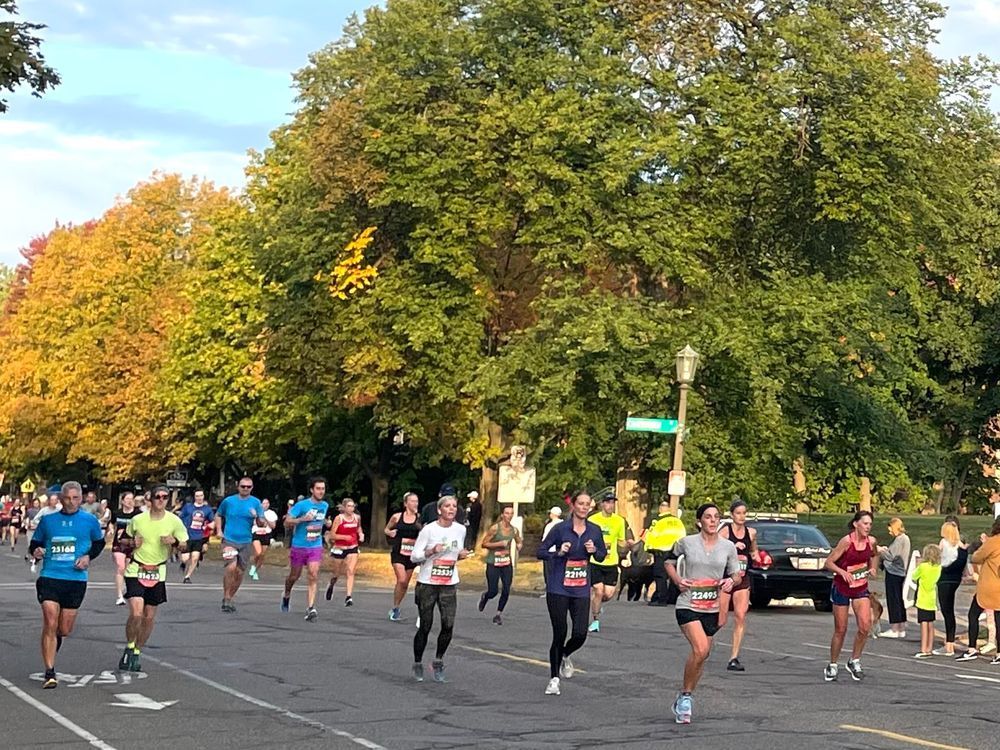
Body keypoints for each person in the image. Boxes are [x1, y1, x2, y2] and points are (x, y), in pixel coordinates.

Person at [665, 503, 741, 723]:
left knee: (702, 655)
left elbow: (736, 573)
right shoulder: (687, 542)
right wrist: (678, 580)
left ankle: (683, 695)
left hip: (712, 607)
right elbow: (668, 562)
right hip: (688, 604)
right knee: (701, 648)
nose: (713, 520)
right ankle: (687, 698)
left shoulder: (728, 547)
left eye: (716, 517)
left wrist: (730, 581)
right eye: (708, 517)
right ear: (699, 521)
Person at [29, 482, 105, 688]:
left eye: (75, 498)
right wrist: (36, 551)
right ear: (60, 499)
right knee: (50, 622)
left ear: (81, 499)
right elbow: (35, 543)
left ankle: (56, 639)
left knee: (64, 628)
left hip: (75, 580)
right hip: (50, 576)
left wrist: (88, 557)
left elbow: (99, 543)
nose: (71, 502)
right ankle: (49, 672)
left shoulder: (90, 521)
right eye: (67, 498)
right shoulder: (48, 520)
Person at [537, 491, 607, 696]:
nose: (584, 507)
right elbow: (541, 551)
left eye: (588, 504)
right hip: (558, 587)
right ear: (573, 506)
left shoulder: (594, 530)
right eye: (581, 504)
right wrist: (558, 552)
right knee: (559, 633)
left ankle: (565, 654)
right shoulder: (560, 529)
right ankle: (554, 679)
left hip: (581, 588)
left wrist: (594, 550)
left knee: (580, 633)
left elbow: (602, 556)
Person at [117, 485, 188, 673]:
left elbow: (185, 545)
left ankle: (137, 651)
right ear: (150, 499)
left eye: (165, 497)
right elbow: (122, 540)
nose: (161, 500)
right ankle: (130, 646)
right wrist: (132, 542)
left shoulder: (174, 521)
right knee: (137, 613)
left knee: (149, 617)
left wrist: (174, 542)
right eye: (158, 496)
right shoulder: (138, 519)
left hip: (158, 571)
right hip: (136, 568)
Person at [409, 495, 469, 682]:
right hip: (428, 583)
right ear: (439, 510)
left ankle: (438, 660)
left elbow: (455, 553)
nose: (451, 509)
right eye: (447, 506)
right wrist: (431, 551)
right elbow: (414, 556)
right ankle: (418, 662)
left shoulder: (460, 530)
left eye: (454, 506)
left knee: (448, 625)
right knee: (426, 626)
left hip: (449, 583)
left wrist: (461, 555)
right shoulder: (429, 530)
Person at [823, 511, 878, 682]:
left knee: (865, 626)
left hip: (860, 587)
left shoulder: (872, 541)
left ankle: (854, 660)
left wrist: (873, 567)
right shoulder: (846, 542)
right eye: (865, 523)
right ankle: (832, 664)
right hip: (842, 587)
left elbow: (875, 555)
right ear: (856, 524)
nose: (868, 527)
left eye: (870, 524)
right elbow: (828, 562)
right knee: (841, 628)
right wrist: (841, 572)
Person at [281, 477, 330, 621]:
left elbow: (321, 521)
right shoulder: (302, 505)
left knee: (313, 574)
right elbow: (286, 522)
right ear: (312, 490)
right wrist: (302, 519)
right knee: (294, 576)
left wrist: (326, 523)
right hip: (299, 545)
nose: (321, 491)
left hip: (315, 546)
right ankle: (287, 593)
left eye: (323, 489)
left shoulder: (325, 505)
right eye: (318, 489)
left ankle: (310, 608)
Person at [717, 499, 757, 671]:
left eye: (744, 513)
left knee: (740, 615)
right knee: (721, 618)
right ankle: (703, 646)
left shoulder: (752, 532)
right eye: (738, 513)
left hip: (742, 578)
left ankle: (734, 657)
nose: (742, 516)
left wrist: (756, 556)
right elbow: (714, 551)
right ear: (732, 515)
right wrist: (732, 546)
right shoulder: (725, 532)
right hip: (726, 578)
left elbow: (753, 550)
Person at [215, 477, 264, 613]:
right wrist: (219, 530)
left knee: (240, 571)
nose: (245, 489)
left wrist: (257, 517)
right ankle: (225, 597)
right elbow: (218, 514)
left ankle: (230, 597)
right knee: (231, 567)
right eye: (243, 486)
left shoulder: (255, 503)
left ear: (252, 488)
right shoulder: (229, 501)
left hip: (246, 541)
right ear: (238, 486)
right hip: (229, 539)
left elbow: (262, 524)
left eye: (248, 487)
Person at [957, 518, 1000, 663]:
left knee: (973, 614)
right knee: (999, 619)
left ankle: (972, 648)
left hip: (989, 585)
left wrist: (985, 545)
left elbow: (976, 557)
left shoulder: (993, 541)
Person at [588, 495, 632, 632]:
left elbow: (621, 541)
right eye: (608, 503)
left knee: (607, 594)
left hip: (611, 561)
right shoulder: (592, 520)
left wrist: (628, 548)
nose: (610, 506)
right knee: (599, 591)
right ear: (602, 504)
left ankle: (597, 603)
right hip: (595, 561)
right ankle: (595, 621)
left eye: (612, 503)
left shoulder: (619, 521)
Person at [478, 505, 523, 625]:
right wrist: (499, 544)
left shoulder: (514, 530)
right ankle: (486, 597)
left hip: (506, 563)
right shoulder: (495, 528)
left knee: (506, 589)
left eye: (511, 513)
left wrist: (519, 545)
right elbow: (484, 544)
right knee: (493, 591)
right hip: (493, 562)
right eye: (507, 513)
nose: (509, 516)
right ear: (502, 515)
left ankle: (498, 614)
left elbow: (518, 540)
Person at [385, 491, 422, 621]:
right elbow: (386, 529)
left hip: (412, 555)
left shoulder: (419, 518)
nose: (415, 503)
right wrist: (390, 533)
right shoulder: (397, 517)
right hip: (398, 552)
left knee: (405, 583)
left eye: (416, 501)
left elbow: (424, 534)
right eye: (412, 501)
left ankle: (395, 608)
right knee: (401, 579)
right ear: (406, 503)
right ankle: (395, 607)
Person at [934, 520, 968, 656]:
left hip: (945, 576)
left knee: (946, 610)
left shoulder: (943, 543)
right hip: (955, 578)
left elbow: (937, 557)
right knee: (950, 610)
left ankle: (949, 645)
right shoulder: (960, 545)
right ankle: (950, 642)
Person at [876, 517, 911, 638]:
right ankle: (901, 627)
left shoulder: (900, 539)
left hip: (894, 572)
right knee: (898, 599)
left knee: (893, 600)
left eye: (890, 529)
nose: (889, 532)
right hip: (900, 573)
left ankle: (895, 628)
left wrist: (880, 550)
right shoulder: (904, 539)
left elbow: (891, 556)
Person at [325, 498, 364, 606]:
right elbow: (332, 535)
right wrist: (344, 537)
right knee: (336, 574)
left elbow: (359, 528)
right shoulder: (339, 518)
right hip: (339, 548)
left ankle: (348, 597)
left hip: (353, 547)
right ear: (344, 507)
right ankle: (331, 585)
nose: (351, 509)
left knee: (351, 571)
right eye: (349, 506)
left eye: (353, 506)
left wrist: (361, 534)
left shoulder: (357, 518)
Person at [911, 543, 941, 658]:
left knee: (923, 623)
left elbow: (914, 576)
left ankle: (923, 648)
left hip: (922, 598)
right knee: (930, 624)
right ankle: (929, 648)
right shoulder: (938, 567)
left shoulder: (923, 567)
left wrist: (918, 565)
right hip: (932, 598)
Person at [178, 490, 215, 583]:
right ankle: (183, 564)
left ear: (203, 496)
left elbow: (213, 521)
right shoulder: (188, 507)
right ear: (194, 497)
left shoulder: (207, 509)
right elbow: (180, 519)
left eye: (201, 495)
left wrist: (210, 526)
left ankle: (187, 577)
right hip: (187, 535)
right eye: (197, 496)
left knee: (194, 558)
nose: (199, 498)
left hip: (199, 536)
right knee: (185, 558)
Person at [112, 493, 141, 605]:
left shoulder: (138, 514)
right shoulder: (117, 513)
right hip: (118, 543)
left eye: (131, 499)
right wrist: (110, 530)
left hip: (132, 544)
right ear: (122, 501)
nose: (130, 501)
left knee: (128, 569)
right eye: (127, 499)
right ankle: (119, 596)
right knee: (121, 566)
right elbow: (112, 523)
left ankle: (127, 587)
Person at [30, 493, 63, 573]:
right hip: (46, 534)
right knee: (42, 549)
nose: (54, 501)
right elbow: (35, 519)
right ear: (49, 501)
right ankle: (36, 561)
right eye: (52, 500)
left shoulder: (59, 509)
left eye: (55, 500)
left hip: (57, 533)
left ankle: (56, 566)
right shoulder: (44, 510)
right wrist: (42, 524)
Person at [248, 498, 278, 581]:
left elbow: (273, 526)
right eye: (263, 503)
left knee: (262, 555)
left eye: (267, 503)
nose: (265, 505)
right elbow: (252, 523)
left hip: (266, 534)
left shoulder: (272, 513)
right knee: (258, 552)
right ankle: (254, 566)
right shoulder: (256, 512)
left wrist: (265, 518)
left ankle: (255, 570)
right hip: (257, 534)